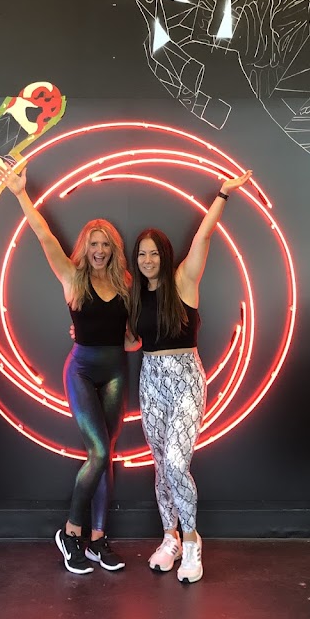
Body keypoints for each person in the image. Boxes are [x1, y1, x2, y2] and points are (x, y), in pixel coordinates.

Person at [1, 162, 134, 575]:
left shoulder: (125, 282)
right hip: (81, 372)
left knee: (107, 456)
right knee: (98, 452)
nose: (99, 250)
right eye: (94, 243)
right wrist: (21, 193)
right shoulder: (72, 276)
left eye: (106, 244)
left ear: (113, 248)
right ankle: (71, 533)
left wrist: (140, 340)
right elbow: (43, 234)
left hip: (116, 372)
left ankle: (98, 540)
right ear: (85, 246)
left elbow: (131, 337)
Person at [129, 169, 252, 584]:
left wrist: (223, 194)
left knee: (176, 462)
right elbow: (131, 340)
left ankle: (192, 540)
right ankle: (170, 538)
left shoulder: (183, 280)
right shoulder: (136, 295)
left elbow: (204, 236)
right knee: (160, 465)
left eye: (153, 253)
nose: (148, 260)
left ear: (164, 255)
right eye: (141, 255)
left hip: (185, 379)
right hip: (150, 379)